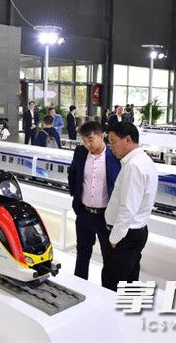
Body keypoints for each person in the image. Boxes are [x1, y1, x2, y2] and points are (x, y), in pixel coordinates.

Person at [102, 122, 157, 291]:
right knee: (130, 283)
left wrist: (114, 238)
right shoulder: (144, 160)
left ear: (127, 139)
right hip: (135, 232)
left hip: (125, 237)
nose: (111, 147)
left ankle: (112, 310)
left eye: (113, 142)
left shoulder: (133, 166)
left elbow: (128, 208)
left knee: (112, 286)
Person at [68, 121, 121, 281]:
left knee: (109, 257)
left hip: (106, 216)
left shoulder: (114, 155)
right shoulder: (80, 152)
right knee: (82, 254)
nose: (87, 144)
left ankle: (107, 290)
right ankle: (79, 286)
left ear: (101, 136)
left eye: (90, 139)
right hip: (84, 214)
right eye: (84, 140)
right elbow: (73, 173)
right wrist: (75, 194)